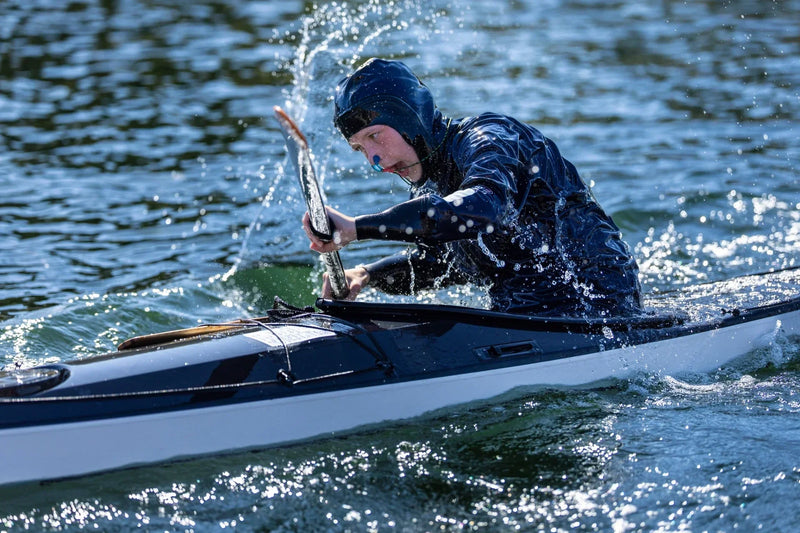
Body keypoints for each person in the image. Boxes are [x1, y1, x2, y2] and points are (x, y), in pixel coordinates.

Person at [302, 57, 643, 317]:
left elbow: (483, 207)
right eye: (360, 149)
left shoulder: (489, 140)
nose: (374, 161)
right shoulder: (429, 187)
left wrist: (357, 228)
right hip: (523, 314)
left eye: (375, 136)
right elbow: (439, 265)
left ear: (407, 120)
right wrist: (366, 275)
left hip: (599, 307)